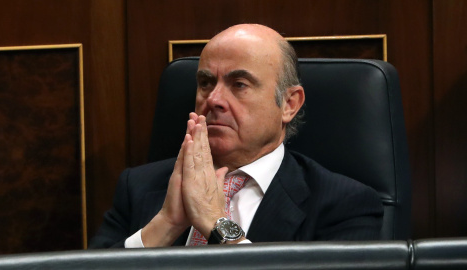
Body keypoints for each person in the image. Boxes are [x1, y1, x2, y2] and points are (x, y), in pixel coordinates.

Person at [89, 24, 383, 248]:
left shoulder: (345, 205)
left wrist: (216, 225)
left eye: (239, 84)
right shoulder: (139, 187)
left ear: (289, 104)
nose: (213, 99)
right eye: (206, 83)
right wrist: (165, 225)